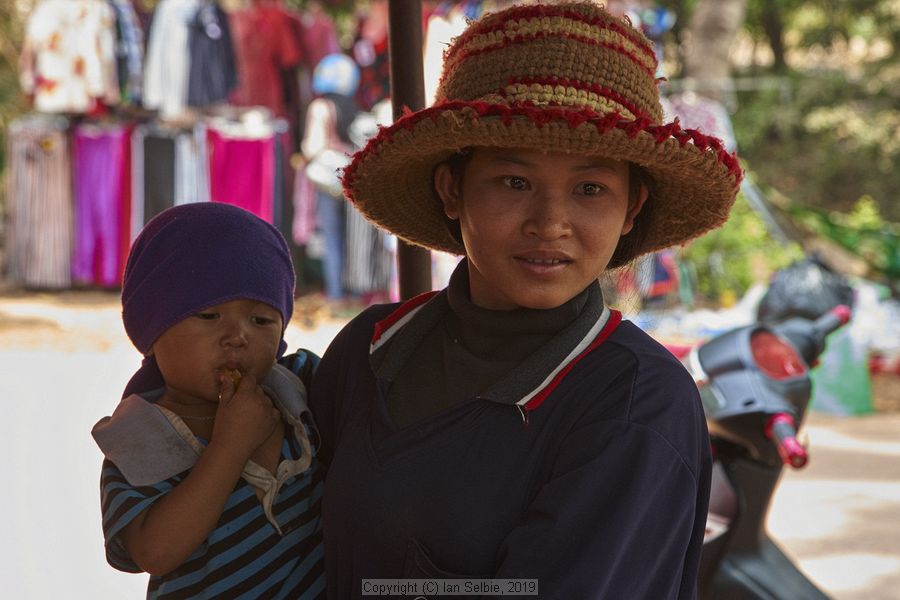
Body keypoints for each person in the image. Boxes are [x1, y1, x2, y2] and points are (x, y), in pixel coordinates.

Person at [311, 2, 742, 598]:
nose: (551, 222)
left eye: (590, 189)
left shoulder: (637, 401)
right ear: (451, 189)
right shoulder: (374, 347)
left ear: (631, 209)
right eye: (514, 182)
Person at [91, 202, 325, 598]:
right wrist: (229, 448)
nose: (237, 336)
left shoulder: (300, 386)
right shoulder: (137, 441)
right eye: (209, 316)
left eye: (261, 321)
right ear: (154, 329)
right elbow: (156, 552)